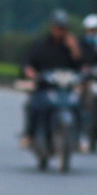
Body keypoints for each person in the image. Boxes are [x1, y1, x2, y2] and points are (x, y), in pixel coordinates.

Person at [20, 9, 83, 146]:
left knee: (78, 106)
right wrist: (29, 71)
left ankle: (78, 137)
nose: (60, 31)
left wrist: (75, 50)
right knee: (35, 106)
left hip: (65, 88)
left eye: (63, 28)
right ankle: (30, 135)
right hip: (45, 87)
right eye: (58, 27)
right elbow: (28, 62)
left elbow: (79, 67)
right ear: (52, 27)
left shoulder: (70, 47)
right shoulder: (40, 45)